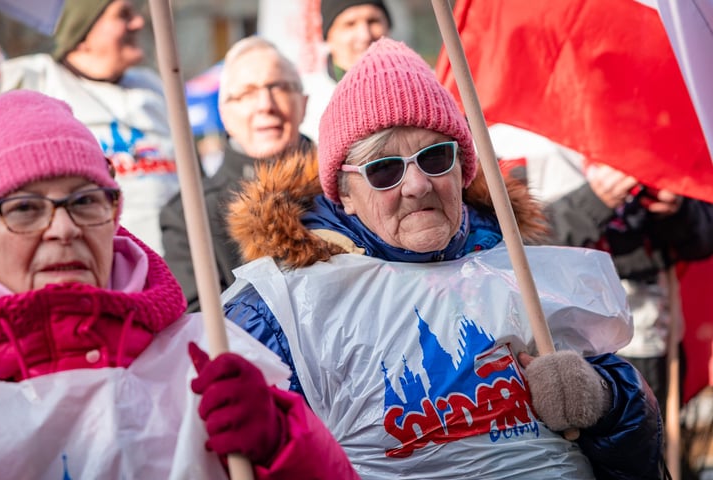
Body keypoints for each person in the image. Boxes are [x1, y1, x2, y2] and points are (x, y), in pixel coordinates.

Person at [221, 38, 664, 479]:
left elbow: (641, 454)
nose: (416, 184)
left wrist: (603, 398)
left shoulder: (517, 272)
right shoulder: (285, 310)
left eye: (435, 157)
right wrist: (280, 440)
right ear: (344, 194)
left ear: (463, 167)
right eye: (384, 169)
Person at [0, 90, 359, 480]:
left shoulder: (209, 353)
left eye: (86, 201)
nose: (63, 229)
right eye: (24, 208)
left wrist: (282, 445)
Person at [491, 124, 713, 417]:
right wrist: (591, 202)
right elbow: (500, 247)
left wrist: (676, 209)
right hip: (550, 343)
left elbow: (701, 239)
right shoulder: (509, 138)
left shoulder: (648, 126)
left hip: (644, 337)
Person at [0, 0, 177, 255]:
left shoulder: (154, 88)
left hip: (175, 270)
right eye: (123, 15)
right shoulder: (41, 88)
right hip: (92, 268)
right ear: (82, 34)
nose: (138, 22)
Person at [160, 37, 310, 313]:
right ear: (225, 114)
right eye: (247, 93)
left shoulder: (350, 186)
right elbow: (200, 324)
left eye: (278, 87)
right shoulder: (190, 215)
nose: (265, 104)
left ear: (304, 103)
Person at [299, 0, 391, 143]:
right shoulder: (308, 102)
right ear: (328, 36)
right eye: (350, 24)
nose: (365, 35)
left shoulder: (419, 87)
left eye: (373, 21)